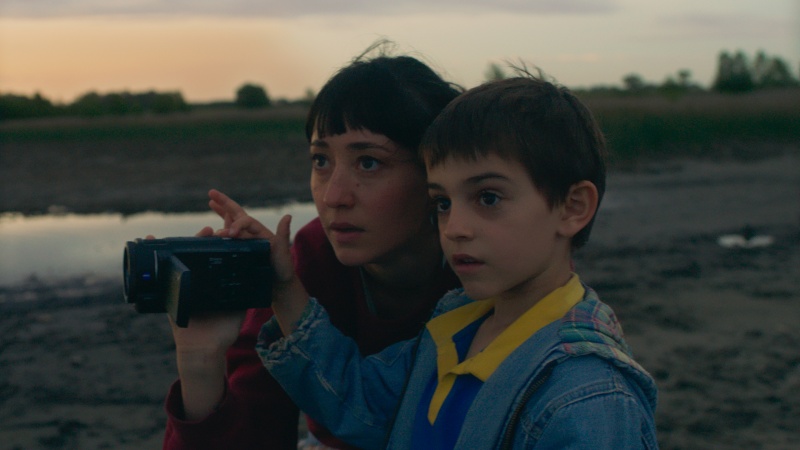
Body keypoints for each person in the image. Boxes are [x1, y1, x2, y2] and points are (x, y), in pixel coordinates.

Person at [256, 74, 659, 449]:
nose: (454, 228)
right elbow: (360, 406)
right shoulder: (456, 328)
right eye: (443, 202)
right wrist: (285, 289)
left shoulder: (588, 397)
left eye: (488, 198)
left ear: (573, 207)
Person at [161, 43, 462, 450]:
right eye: (321, 161)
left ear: (436, 173)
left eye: (368, 162)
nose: (334, 196)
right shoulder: (304, 264)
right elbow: (258, 433)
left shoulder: (485, 267)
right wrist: (200, 359)